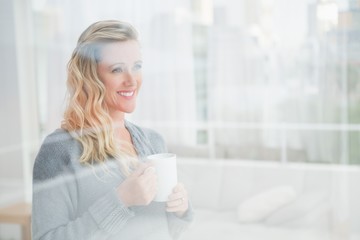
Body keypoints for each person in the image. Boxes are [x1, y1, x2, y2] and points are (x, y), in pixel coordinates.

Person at [32, 20, 194, 240]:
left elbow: (167, 232)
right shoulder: (60, 150)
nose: (131, 80)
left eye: (137, 66)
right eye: (117, 69)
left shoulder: (154, 142)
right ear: (92, 77)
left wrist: (180, 211)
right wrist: (120, 201)